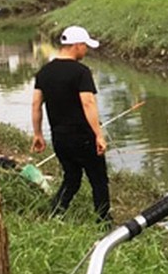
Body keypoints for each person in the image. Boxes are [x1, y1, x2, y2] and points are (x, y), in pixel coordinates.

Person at [30, 25, 110, 223]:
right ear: (77, 45)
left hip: (59, 137)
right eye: (85, 46)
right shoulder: (81, 72)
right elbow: (88, 103)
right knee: (98, 180)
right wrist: (98, 135)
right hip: (83, 137)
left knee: (72, 177)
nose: (86, 51)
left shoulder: (44, 72)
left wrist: (38, 134)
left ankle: (56, 212)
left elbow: (36, 105)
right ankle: (103, 222)